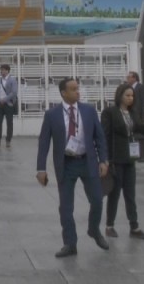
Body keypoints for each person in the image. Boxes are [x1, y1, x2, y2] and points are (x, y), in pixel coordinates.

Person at [36, 77, 110, 257]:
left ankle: (94, 230)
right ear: (63, 93)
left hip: (87, 161)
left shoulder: (89, 111)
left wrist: (103, 160)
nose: (78, 91)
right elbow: (44, 142)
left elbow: (99, 137)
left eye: (78, 88)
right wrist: (41, 169)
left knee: (97, 200)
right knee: (66, 207)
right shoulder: (52, 115)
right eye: (73, 89)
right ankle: (70, 243)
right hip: (66, 163)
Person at [101, 83, 144, 240]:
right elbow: (104, 135)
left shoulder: (132, 112)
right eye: (127, 95)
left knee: (130, 193)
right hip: (116, 158)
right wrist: (105, 158)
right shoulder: (110, 112)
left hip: (130, 158)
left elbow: (142, 130)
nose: (130, 98)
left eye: (132, 96)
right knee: (115, 193)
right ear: (120, 96)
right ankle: (109, 225)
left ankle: (134, 226)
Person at [125, 71, 144, 161]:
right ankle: (138, 155)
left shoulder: (141, 87)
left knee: (142, 137)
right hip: (133, 116)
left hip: (140, 116)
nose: (127, 79)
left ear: (134, 78)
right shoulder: (130, 88)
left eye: (129, 77)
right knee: (135, 136)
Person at [0, 63, 18, 147]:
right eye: (1, 70)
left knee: (9, 123)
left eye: (3, 70)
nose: (1, 71)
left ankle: (8, 140)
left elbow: (14, 93)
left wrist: (4, 100)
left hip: (8, 104)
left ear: (7, 70)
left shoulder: (13, 80)